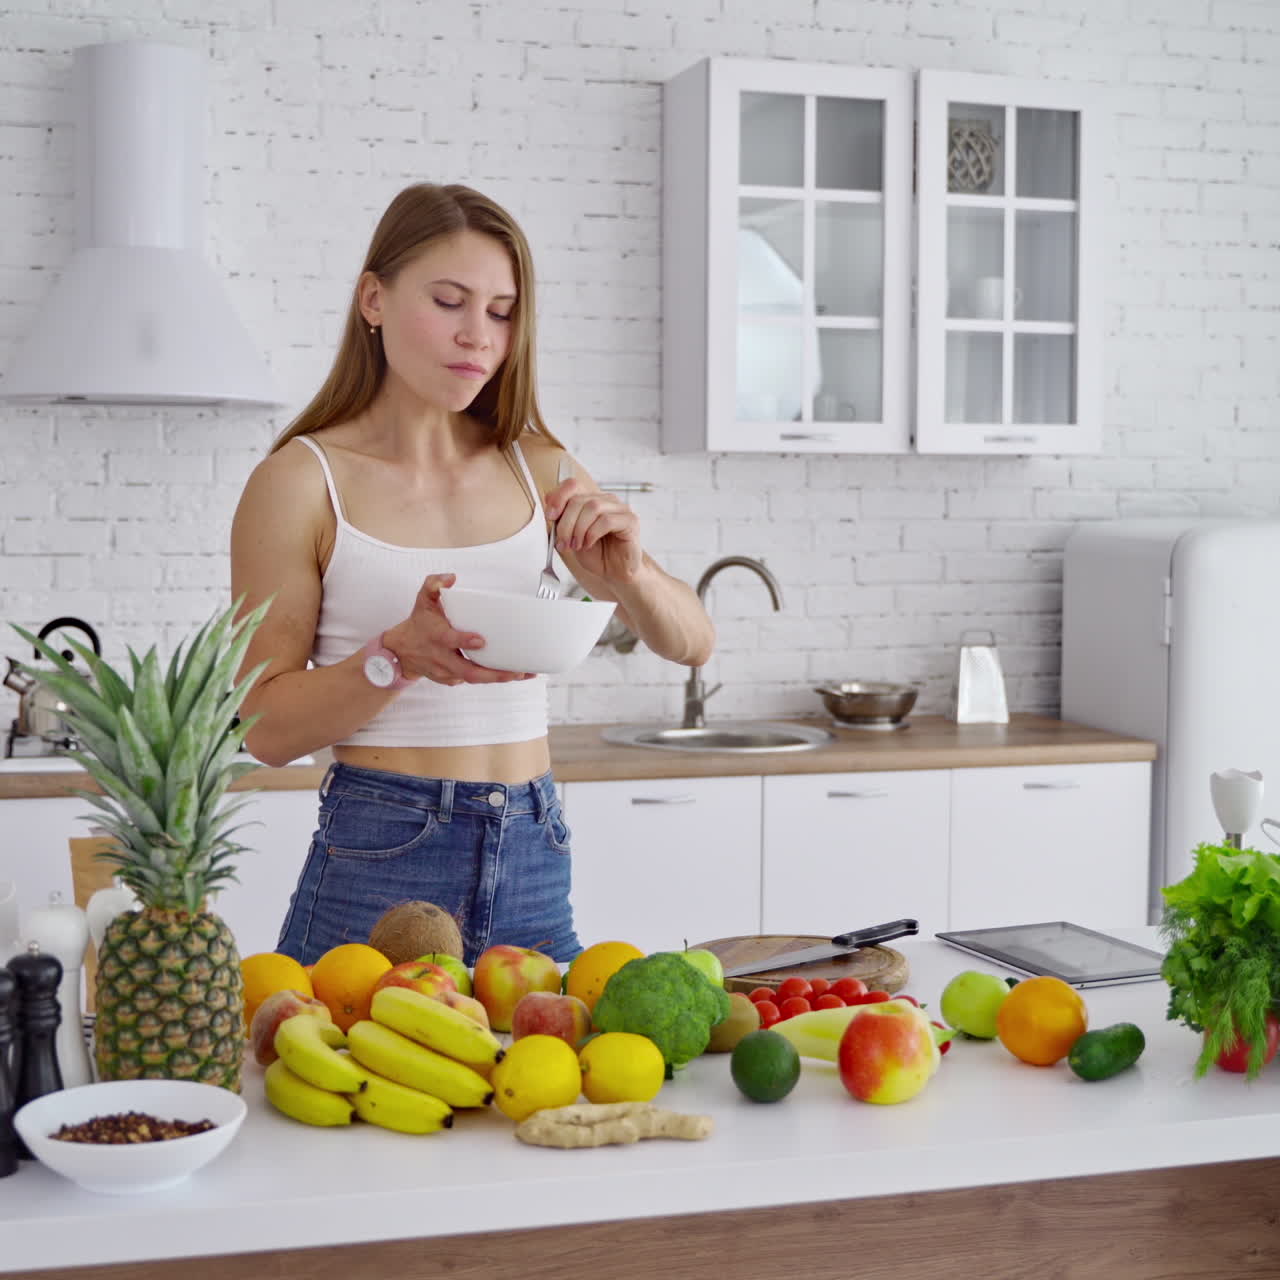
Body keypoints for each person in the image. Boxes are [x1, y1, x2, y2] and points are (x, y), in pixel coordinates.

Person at [230, 183, 714, 967]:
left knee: (555, 1090)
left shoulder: (539, 466)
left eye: (500, 311)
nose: (478, 337)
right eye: (450, 301)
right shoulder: (300, 480)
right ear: (373, 299)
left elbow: (692, 642)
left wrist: (628, 574)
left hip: (533, 848)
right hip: (381, 858)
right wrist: (396, 656)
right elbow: (263, 729)